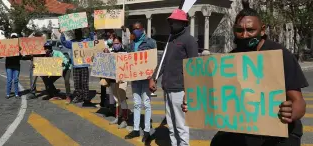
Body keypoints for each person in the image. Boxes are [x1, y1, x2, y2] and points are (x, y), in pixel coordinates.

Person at [182, 1, 308, 146]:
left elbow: (299, 102)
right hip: (244, 129)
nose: (244, 35)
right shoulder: (230, 59)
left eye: (250, 30)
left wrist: (291, 112)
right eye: (239, 30)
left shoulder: (279, 55)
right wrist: (195, 101)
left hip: (279, 132)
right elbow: (217, 95)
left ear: (262, 30)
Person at [149, 9, 198, 146]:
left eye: (176, 21)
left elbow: (194, 67)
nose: (172, 24)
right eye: (171, 21)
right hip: (168, 88)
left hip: (180, 89)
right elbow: (163, 62)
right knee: (171, 125)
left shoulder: (189, 40)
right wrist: (154, 77)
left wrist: (189, 92)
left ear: (183, 23)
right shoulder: (171, 39)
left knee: (181, 126)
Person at [124, 22, 157, 143]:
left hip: (146, 78)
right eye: (134, 29)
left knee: (147, 103)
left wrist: (152, 78)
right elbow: (127, 58)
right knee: (136, 103)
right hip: (135, 78)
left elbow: (154, 62)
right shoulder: (132, 44)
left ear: (142, 29)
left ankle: (147, 130)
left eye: (137, 29)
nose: (136, 31)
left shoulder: (150, 42)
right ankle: (136, 129)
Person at [60, 28, 95, 106]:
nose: (78, 34)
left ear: (81, 33)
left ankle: (86, 99)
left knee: (84, 83)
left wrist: (90, 30)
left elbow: (93, 40)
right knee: (77, 83)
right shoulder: (72, 43)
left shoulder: (86, 41)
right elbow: (64, 42)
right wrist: (62, 34)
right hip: (76, 66)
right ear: (74, 34)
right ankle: (79, 97)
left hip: (84, 65)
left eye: (79, 33)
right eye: (76, 33)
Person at [104, 36, 129, 129]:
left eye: (117, 43)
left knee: (122, 98)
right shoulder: (111, 53)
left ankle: (125, 119)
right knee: (116, 99)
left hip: (122, 79)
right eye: (114, 43)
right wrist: (105, 55)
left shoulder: (125, 53)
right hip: (113, 80)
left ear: (121, 43)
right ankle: (118, 117)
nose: (115, 45)